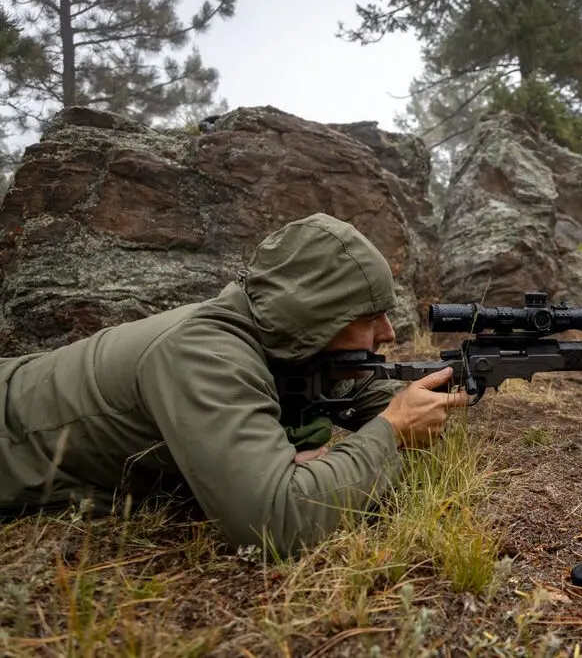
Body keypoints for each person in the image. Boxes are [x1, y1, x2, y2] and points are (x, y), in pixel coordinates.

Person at [0, 213, 469, 555]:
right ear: (314, 315)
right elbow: (274, 521)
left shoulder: (287, 343)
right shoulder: (205, 353)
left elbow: (361, 391)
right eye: (369, 317)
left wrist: (421, 397)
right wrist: (391, 432)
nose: (388, 332)